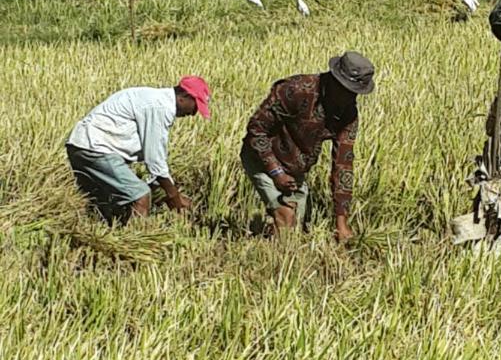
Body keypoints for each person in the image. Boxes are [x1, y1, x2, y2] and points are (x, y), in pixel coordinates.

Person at [241, 51, 375, 242]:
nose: (351, 98)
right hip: (262, 158)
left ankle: (263, 237)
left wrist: (341, 222)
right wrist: (276, 172)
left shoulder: (348, 114)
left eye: (355, 92)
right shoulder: (296, 90)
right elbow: (256, 129)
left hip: (296, 170)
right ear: (335, 81)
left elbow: (343, 165)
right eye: (347, 91)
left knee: (301, 231)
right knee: (286, 220)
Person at [66, 76, 211, 223]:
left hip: (81, 144)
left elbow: (155, 165)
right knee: (140, 195)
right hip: (95, 147)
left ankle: (96, 229)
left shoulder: (156, 100)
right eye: (196, 106)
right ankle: (134, 239)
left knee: (101, 203)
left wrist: (170, 192)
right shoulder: (160, 107)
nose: (193, 113)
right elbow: (154, 160)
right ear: (184, 97)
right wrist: (173, 197)